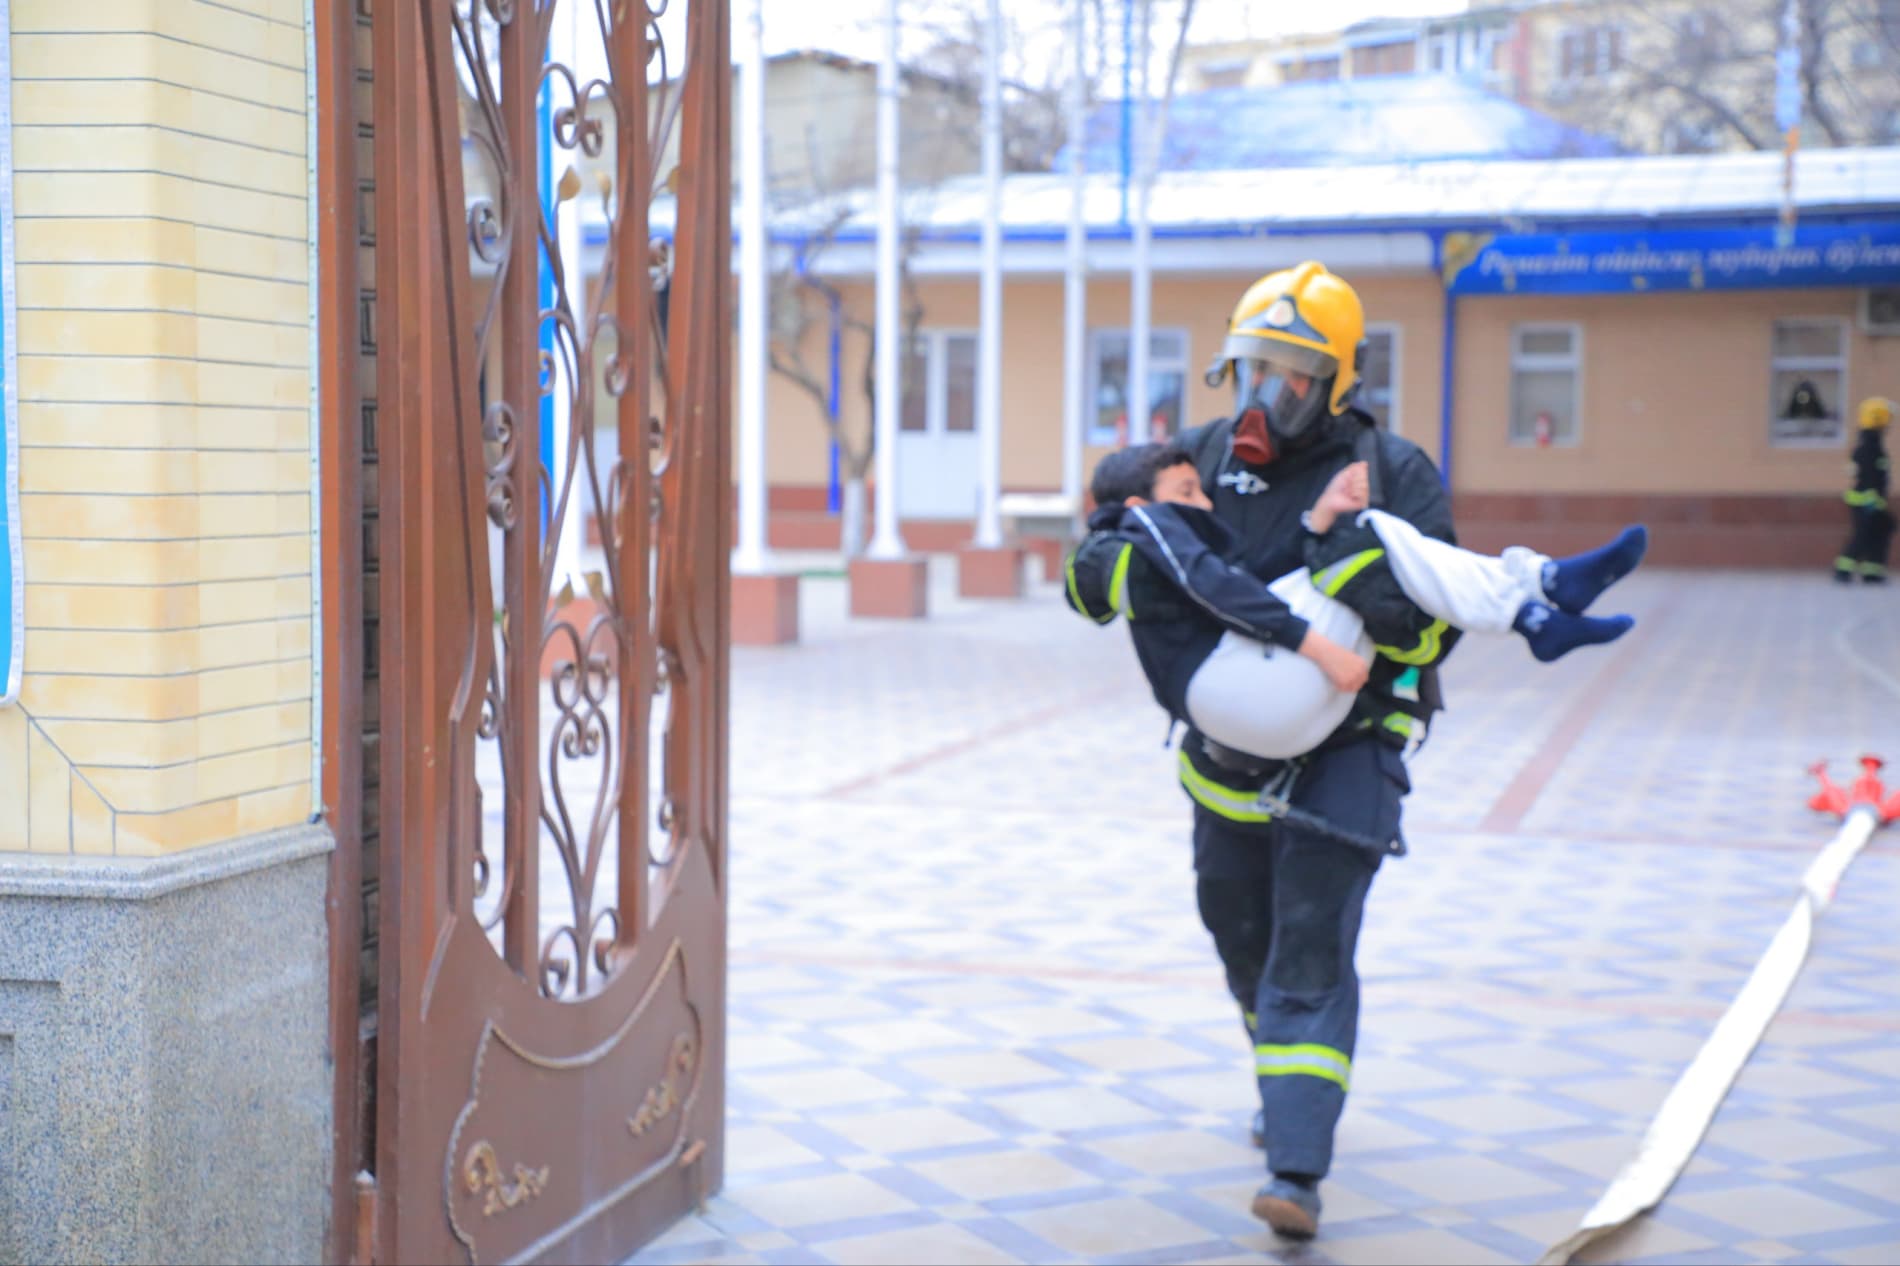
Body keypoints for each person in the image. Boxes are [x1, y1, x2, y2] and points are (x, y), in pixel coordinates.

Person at [1064, 259, 1606, 1242]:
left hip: (1351, 743)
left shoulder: (1393, 472)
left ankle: (1296, 1170)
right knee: (1236, 928)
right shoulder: (1191, 458)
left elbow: (1422, 633)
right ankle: (1281, 1078)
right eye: (1254, 366)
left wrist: (1341, 564)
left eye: (1294, 372)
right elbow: (1116, 541)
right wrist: (1107, 568)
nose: (1270, 392)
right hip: (1228, 753)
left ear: (1339, 380)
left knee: (1311, 936)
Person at [1065, 443, 1645, 763]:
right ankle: (1537, 592)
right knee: (1368, 530)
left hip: (1261, 712)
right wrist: (1319, 649)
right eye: (1187, 493)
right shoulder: (1140, 529)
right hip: (1233, 692)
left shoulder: (1145, 548)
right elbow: (1221, 591)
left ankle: (1536, 605)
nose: (1205, 505)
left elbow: (1261, 589)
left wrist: (1317, 519)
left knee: (1359, 550)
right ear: (1143, 504)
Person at [1837, 396, 1894, 584]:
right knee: (1863, 536)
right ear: (1878, 419)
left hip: (1872, 502)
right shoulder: (1870, 447)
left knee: (1881, 531)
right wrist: (1873, 502)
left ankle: (1872, 572)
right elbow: (1869, 477)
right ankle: (1842, 570)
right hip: (1865, 502)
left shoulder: (1871, 443)